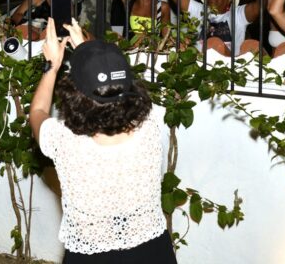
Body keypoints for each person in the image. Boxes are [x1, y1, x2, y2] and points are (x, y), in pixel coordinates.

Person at [30, 19, 176, 263]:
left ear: (76, 96)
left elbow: (37, 112)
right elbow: (111, 84)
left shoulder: (65, 141)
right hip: (153, 253)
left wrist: (52, 67)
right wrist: (90, 51)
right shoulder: (151, 125)